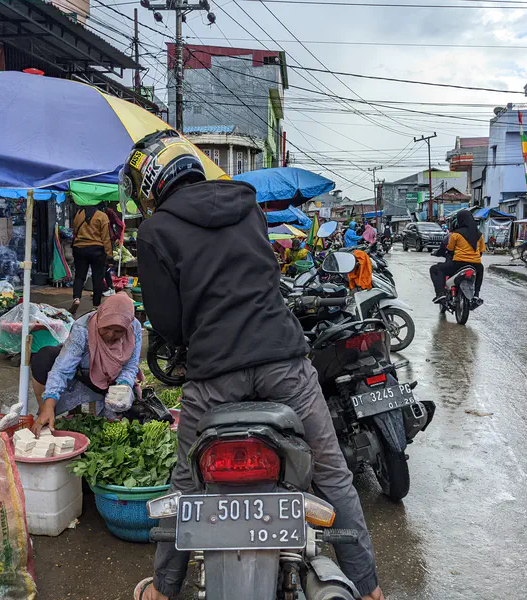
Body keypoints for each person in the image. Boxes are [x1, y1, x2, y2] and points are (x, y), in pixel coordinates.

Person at [125, 130, 383, 600]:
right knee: (329, 470)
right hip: (283, 358)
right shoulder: (248, 206)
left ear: (150, 184)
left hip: (213, 372)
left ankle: (163, 589)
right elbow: (268, 272)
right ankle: (367, 588)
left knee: (188, 481)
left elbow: (165, 321)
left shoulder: (156, 230)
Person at [30, 292, 141, 435]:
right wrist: (49, 403)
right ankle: (49, 412)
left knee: (122, 423)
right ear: (100, 317)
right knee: (45, 359)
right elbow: (63, 368)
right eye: (106, 328)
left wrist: (123, 385)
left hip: (114, 378)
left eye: (118, 331)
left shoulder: (134, 328)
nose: (110, 335)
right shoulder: (83, 327)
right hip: (84, 375)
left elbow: (131, 365)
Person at [429, 209, 485, 303]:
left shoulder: (456, 234)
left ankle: (441, 294)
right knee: (481, 269)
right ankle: (476, 295)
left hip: (458, 264)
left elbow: (450, 249)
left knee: (435, 269)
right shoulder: (479, 235)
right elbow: (481, 251)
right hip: (476, 265)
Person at [70, 202, 112, 314]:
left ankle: (76, 298)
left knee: (79, 276)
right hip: (97, 250)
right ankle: (96, 305)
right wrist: (109, 254)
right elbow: (106, 238)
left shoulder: (79, 214)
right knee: (97, 277)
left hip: (79, 248)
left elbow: (74, 231)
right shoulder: (102, 216)